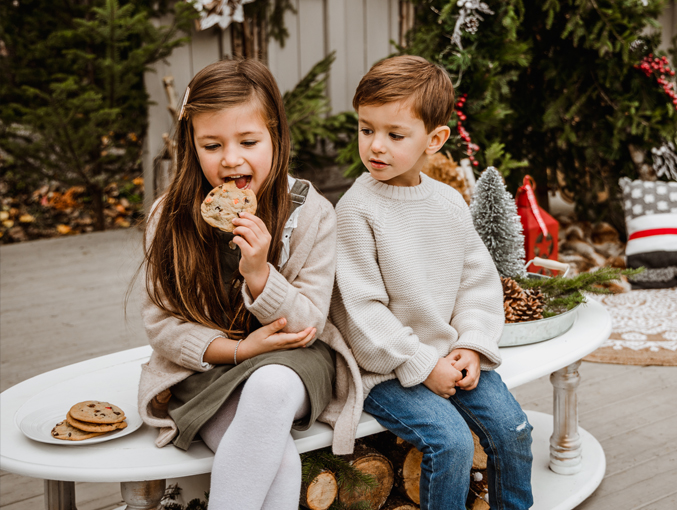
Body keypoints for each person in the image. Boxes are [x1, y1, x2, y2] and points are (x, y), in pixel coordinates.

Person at [136, 58, 363, 510]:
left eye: (248, 141)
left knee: (269, 387)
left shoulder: (311, 213)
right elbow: (161, 325)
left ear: (276, 137)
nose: (231, 158)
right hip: (208, 369)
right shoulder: (169, 217)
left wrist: (259, 273)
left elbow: (309, 323)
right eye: (212, 144)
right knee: (274, 461)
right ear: (192, 145)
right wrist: (239, 350)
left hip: (293, 360)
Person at [330, 55, 534, 510]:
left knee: (512, 427)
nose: (375, 146)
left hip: (447, 354)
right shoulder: (355, 210)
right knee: (452, 443)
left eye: (394, 135)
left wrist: (473, 343)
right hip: (382, 370)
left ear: (435, 139)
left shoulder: (447, 202)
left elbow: (476, 282)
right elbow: (361, 314)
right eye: (366, 130)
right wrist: (424, 364)